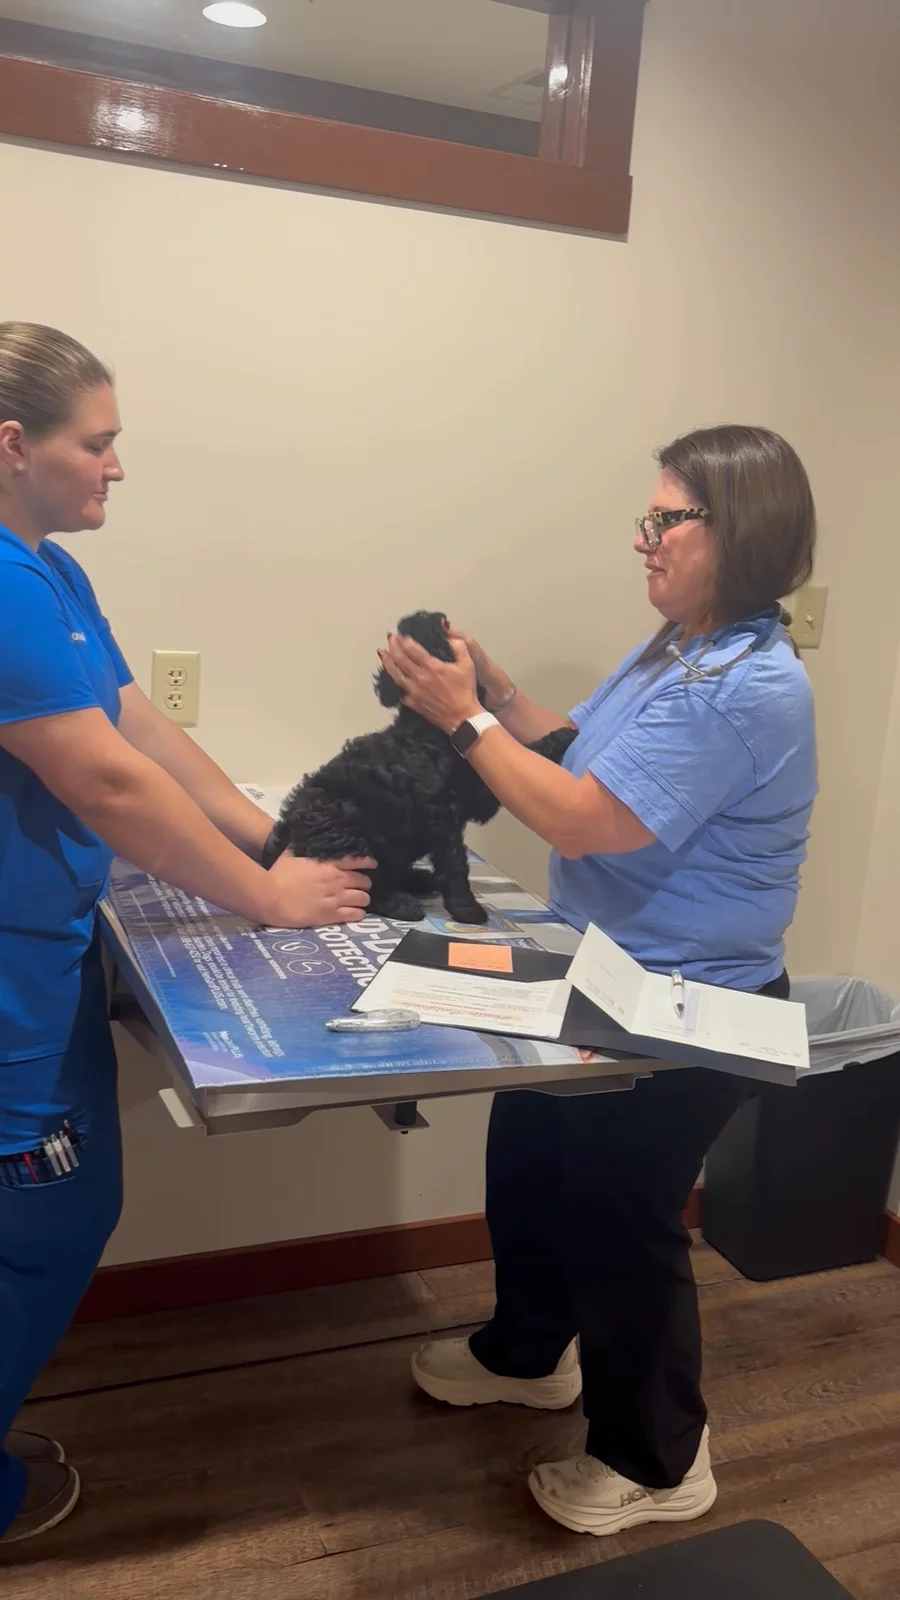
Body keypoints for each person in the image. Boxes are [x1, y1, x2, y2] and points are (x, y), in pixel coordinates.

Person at [380, 424, 817, 1537]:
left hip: (691, 1002)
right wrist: (496, 691)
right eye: (648, 516)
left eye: (667, 519)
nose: (643, 538)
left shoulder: (746, 686)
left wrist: (461, 719)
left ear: (738, 528)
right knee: (531, 1156)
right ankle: (528, 1354)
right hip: (604, 975)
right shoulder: (682, 645)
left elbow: (587, 818)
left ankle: (658, 1459)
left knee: (620, 1215)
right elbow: (584, 754)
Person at [0, 323, 374, 1545]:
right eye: (97, 442)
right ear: (13, 445)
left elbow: (136, 725)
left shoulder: (48, 570)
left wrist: (273, 839)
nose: (118, 466)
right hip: (8, 976)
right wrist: (271, 899)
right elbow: (107, 784)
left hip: (49, 948)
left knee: (56, 1214)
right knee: (42, 1227)